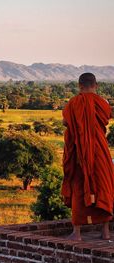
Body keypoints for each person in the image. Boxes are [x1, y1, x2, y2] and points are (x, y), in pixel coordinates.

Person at [62, 72, 114, 241]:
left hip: (81, 154)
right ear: (96, 85)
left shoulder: (73, 103)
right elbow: (106, 117)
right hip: (100, 154)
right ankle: (105, 232)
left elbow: (66, 123)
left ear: (79, 86)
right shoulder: (103, 103)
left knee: (79, 188)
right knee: (103, 188)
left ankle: (76, 233)